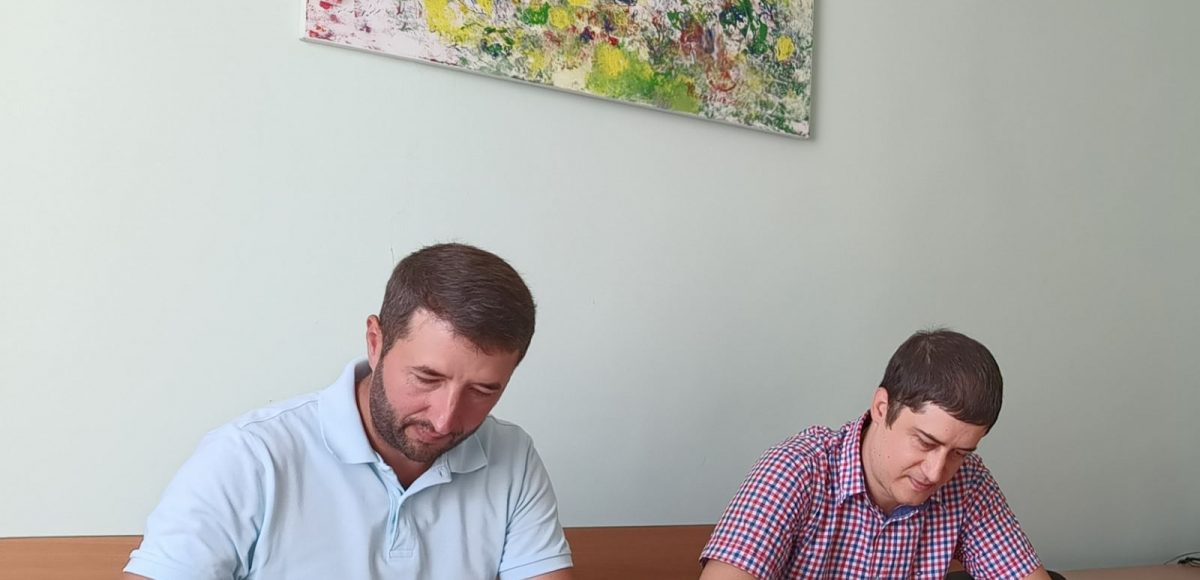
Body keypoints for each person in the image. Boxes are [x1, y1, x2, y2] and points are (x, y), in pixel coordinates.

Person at [124, 243, 573, 580]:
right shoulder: (249, 457)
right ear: (376, 342)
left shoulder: (511, 455)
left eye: (483, 390)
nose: (445, 419)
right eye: (426, 378)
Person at [699, 329, 1050, 580]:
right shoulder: (795, 470)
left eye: (959, 452)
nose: (936, 472)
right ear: (882, 407)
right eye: (925, 442)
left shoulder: (968, 483)